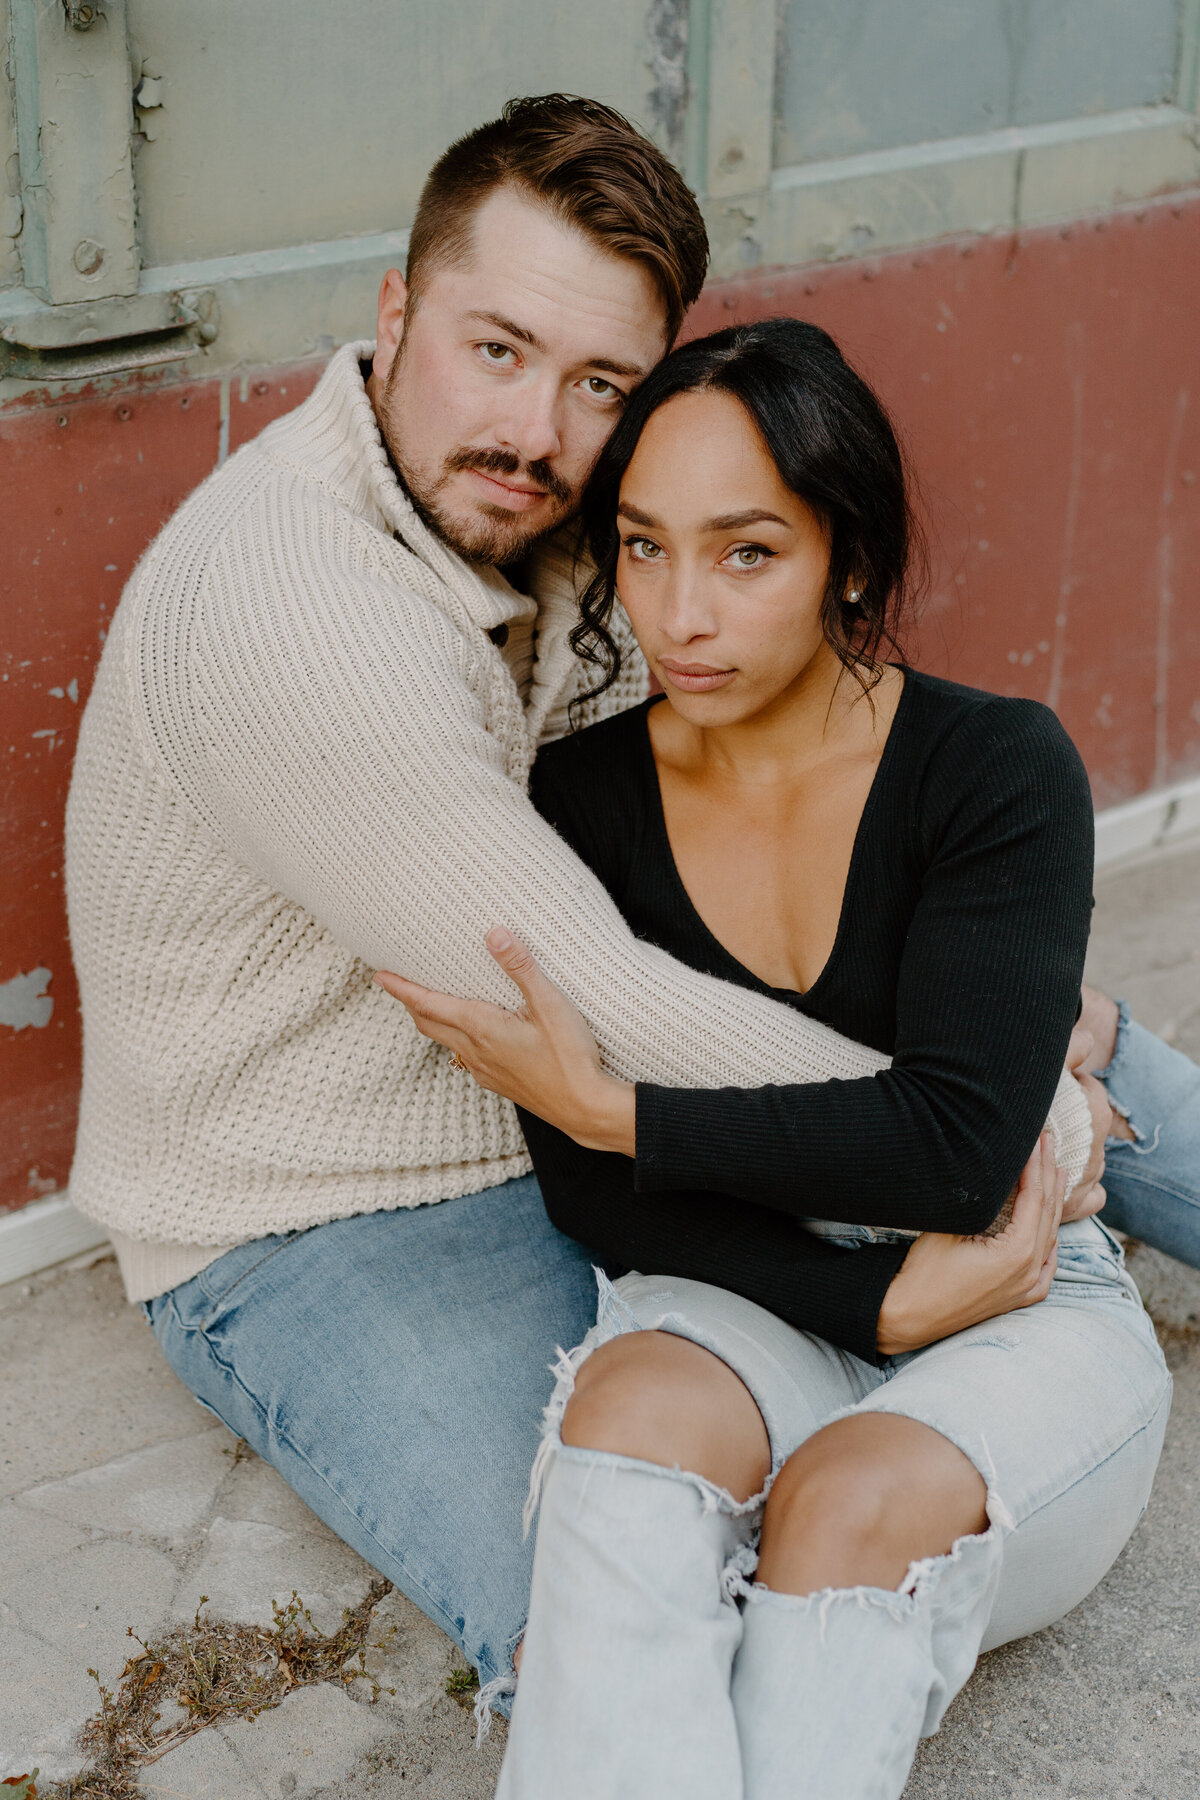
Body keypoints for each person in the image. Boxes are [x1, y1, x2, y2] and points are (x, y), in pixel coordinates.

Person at [64, 94, 1196, 1713]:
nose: (537, 431)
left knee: (1034, 1011)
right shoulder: (292, 605)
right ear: (393, 318)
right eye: (497, 349)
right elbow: (590, 995)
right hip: (334, 1206)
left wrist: (1003, 1020)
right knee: (628, 1621)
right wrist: (1021, 1121)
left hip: (585, 1104)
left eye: (600, 383)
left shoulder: (575, 519)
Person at [375, 318, 1172, 1796]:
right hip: (740, 1285)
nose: (683, 615)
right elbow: (594, 1197)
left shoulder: (997, 770)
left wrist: (625, 1111)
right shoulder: (578, 801)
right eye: (645, 547)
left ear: (849, 560)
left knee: (847, 1503)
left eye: (747, 553)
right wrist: (870, 1297)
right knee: (628, 1431)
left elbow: (952, 1145)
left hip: (1016, 1294)